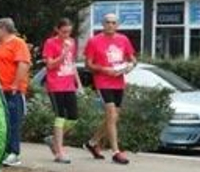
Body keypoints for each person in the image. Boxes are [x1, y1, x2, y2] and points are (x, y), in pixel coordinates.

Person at [83, 14, 136, 164]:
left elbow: (132, 59)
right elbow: (88, 64)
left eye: (113, 23)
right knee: (111, 114)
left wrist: (129, 66)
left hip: (118, 82)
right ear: (102, 24)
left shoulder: (123, 39)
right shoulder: (94, 41)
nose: (111, 25)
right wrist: (104, 69)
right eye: (108, 22)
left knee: (113, 118)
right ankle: (116, 152)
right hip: (103, 82)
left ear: (117, 25)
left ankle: (92, 142)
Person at [0, 18, 31, 167]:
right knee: (3, 122)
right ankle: (5, 151)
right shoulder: (1, 45)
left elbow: (23, 63)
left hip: (12, 91)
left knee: (13, 122)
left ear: (3, 29)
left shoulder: (18, 43)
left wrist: (15, 84)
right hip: (0, 90)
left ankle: (14, 153)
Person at [41, 19, 80, 164]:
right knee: (60, 117)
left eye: (69, 32)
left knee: (73, 118)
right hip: (55, 84)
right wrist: (63, 54)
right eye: (63, 32)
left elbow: (72, 64)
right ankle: (59, 152)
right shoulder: (50, 43)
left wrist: (78, 83)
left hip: (69, 84)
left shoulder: (72, 42)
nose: (66, 35)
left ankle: (54, 139)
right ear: (57, 30)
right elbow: (50, 65)